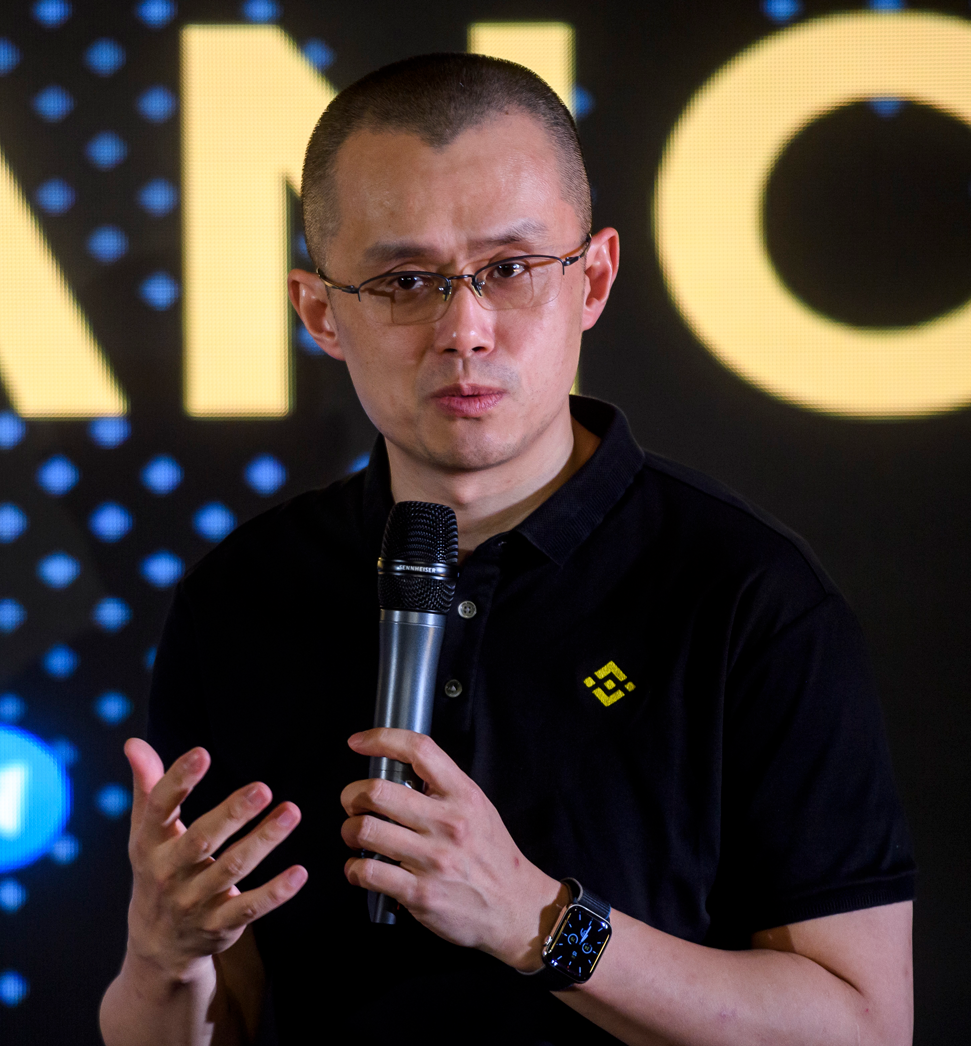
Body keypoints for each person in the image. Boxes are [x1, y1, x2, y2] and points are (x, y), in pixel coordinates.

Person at [99, 53, 915, 1046]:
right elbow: (213, 1019)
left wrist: (538, 918)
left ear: (594, 279)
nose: (464, 329)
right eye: (406, 280)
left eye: (510, 270)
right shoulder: (244, 596)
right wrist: (159, 958)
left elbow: (863, 1026)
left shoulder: (744, 596)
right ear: (321, 312)